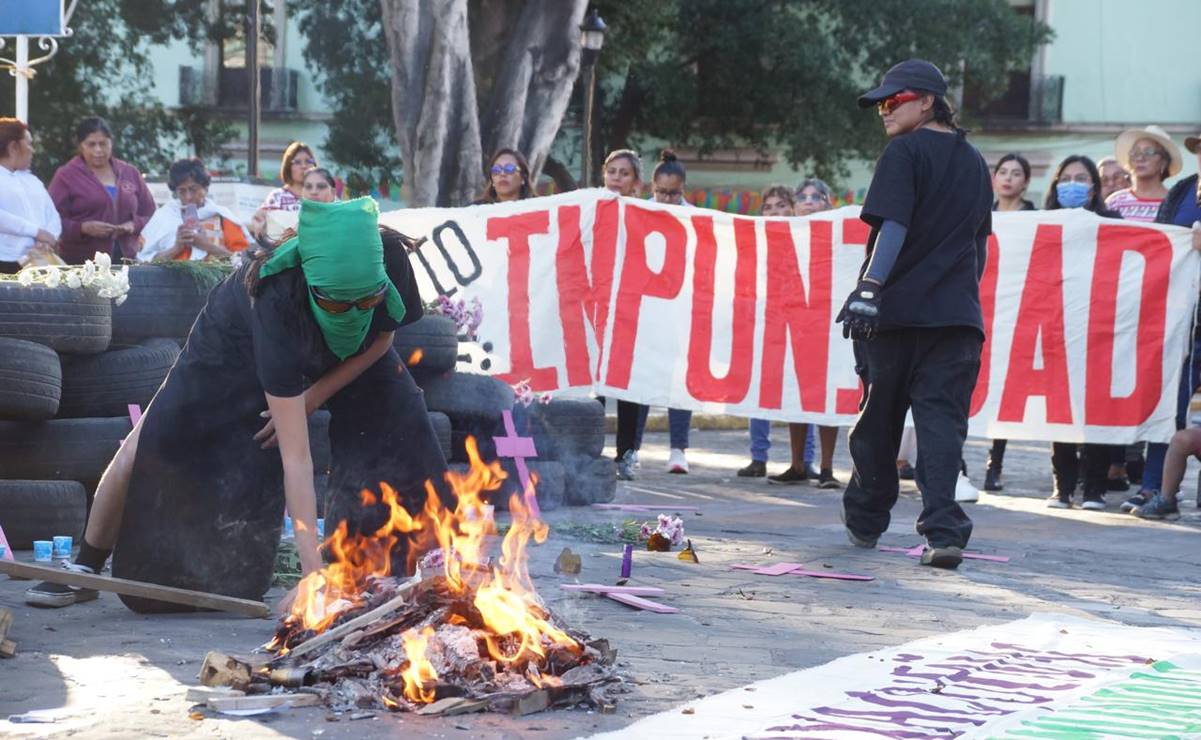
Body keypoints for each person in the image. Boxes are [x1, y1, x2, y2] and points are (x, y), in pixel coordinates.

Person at [25, 197, 447, 609]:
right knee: (153, 435)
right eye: (338, 303)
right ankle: (87, 565)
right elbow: (296, 459)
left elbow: (383, 336)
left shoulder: (388, 258)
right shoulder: (273, 294)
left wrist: (313, 396)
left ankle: (401, 572)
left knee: (403, 416)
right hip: (235, 347)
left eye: (367, 301)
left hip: (351, 352)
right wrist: (310, 575)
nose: (353, 311)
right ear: (315, 283)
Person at [838, 60, 992, 570]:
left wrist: (869, 286)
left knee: (878, 423)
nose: (883, 112)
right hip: (956, 321)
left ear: (926, 101)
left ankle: (865, 518)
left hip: (896, 314)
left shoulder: (904, 151)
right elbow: (978, 247)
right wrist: (960, 296)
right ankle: (944, 533)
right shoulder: (974, 162)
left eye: (892, 101)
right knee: (942, 427)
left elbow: (894, 227)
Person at [1125, 131, 1201, 519]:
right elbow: (1158, 245)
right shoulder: (1184, 192)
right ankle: (1155, 487)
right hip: (1182, 318)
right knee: (1168, 402)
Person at [1041, 155, 1122, 509]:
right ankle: (1063, 486)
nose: (1073, 184)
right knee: (1060, 408)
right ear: (1056, 185)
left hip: (1099, 327)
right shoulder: (1042, 224)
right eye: (1066, 178)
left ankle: (1094, 489)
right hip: (1057, 326)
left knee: (1096, 409)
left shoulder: (1114, 223)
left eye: (1081, 178)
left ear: (1093, 187)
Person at [755, 179, 843, 488]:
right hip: (794, 320)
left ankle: (828, 467)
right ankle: (797, 464)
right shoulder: (784, 235)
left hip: (825, 322)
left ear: (826, 203)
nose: (808, 201)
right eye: (802, 196)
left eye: (815, 196)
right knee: (796, 393)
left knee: (826, 394)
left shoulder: (836, 234)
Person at [981, 153, 1036, 492]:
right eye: (1003, 172)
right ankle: (955, 465)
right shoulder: (980, 213)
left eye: (1017, 173)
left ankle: (994, 464)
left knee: (1003, 387)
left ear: (1026, 182)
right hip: (982, 306)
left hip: (1017, 309)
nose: (1008, 178)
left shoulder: (1036, 217)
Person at [600, 149, 651, 481]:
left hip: (636, 309)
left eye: (624, 173)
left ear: (636, 182)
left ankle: (627, 454)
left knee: (633, 383)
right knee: (595, 382)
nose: (617, 178)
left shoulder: (648, 215)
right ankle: (589, 447)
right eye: (612, 171)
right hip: (598, 308)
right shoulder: (589, 210)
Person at [643, 150, 694, 474]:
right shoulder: (640, 212)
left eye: (673, 193)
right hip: (646, 308)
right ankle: (631, 448)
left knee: (679, 381)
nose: (666, 198)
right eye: (661, 192)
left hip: (680, 308)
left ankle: (678, 448)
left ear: (683, 190)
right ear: (652, 187)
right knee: (639, 379)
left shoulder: (696, 217)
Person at [47, 117, 154, 264]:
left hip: (126, 260)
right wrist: (82, 228)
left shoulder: (129, 172)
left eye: (103, 144)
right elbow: (49, 218)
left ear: (111, 143)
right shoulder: (66, 176)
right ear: (81, 146)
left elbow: (150, 213)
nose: (98, 150)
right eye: (91, 144)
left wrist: (133, 225)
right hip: (82, 264)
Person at [137, 158, 250, 262]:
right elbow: (144, 261)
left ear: (205, 188)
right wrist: (176, 248)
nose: (188, 197)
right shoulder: (163, 218)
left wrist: (207, 246)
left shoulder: (223, 218)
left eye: (193, 189)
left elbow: (244, 263)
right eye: (182, 191)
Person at [0, 118, 60, 273]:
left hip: (38, 259)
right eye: (29, 144)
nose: (32, 150)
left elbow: (53, 215)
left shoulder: (32, 181)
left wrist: (48, 238)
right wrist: (36, 232)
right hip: (5, 261)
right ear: (13, 147)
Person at [1104, 125, 1181, 223]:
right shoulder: (1114, 202)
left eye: (1149, 152)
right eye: (1135, 152)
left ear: (1164, 162)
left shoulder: (1175, 203)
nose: (1140, 158)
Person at [250, 141, 317, 237]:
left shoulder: (321, 194)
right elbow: (259, 224)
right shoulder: (277, 196)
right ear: (288, 167)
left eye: (308, 161)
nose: (304, 166)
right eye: (297, 162)